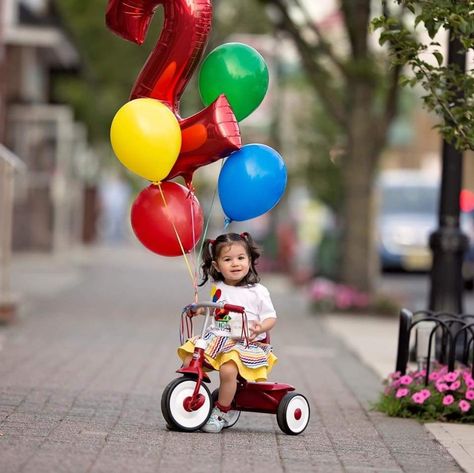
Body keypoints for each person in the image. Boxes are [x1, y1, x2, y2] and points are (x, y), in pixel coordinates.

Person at [177, 232, 278, 433]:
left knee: (228, 370)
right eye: (227, 259)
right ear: (216, 266)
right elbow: (215, 308)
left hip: (244, 342)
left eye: (241, 258)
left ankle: (222, 411)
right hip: (218, 337)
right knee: (190, 357)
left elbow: (271, 317)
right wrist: (201, 309)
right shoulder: (219, 287)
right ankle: (193, 393)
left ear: (249, 260)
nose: (235, 264)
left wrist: (261, 327)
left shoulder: (257, 291)